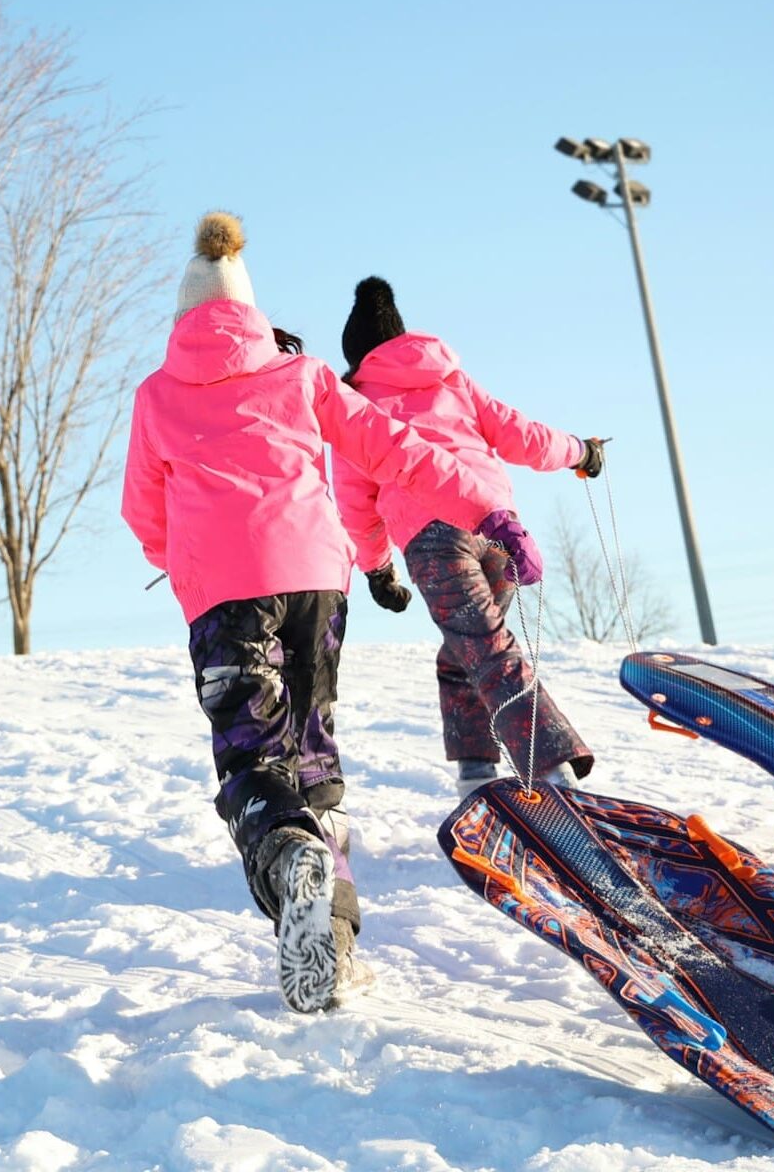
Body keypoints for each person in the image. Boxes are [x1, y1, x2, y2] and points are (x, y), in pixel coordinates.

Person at [121, 216, 538, 1014]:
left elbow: (143, 515)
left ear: (183, 321)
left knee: (254, 764)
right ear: (251, 312)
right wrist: (489, 509)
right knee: (313, 764)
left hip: (223, 595)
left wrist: (183, 564)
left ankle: (287, 863)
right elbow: (395, 450)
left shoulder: (157, 393)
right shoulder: (304, 375)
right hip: (316, 582)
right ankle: (334, 944)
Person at [332, 276, 605, 797]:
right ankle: (477, 768)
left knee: (484, 649)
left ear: (358, 356)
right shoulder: (453, 380)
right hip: (495, 528)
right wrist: (581, 451)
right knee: (466, 651)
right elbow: (522, 435)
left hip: (433, 538)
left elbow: (355, 500)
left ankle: (555, 770)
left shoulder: (358, 406)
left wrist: (377, 569)